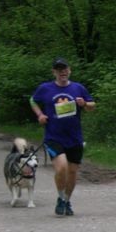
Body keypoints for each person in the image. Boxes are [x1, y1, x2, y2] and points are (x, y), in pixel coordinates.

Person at [30, 57, 95, 216]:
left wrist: (84, 104)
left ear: (69, 70)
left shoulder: (78, 88)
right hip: (53, 136)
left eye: (65, 69)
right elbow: (32, 100)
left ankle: (66, 200)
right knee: (62, 168)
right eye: (59, 70)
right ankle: (60, 197)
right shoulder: (45, 88)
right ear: (54, 72)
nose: (62, 72)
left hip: (75, 137)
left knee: (72, 172)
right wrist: (40, 115)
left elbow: (92, 105)